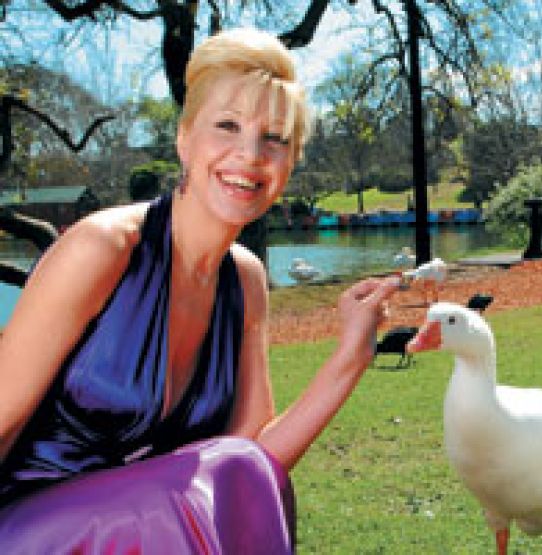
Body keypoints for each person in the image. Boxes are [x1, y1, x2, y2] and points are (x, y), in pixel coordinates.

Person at [0, 28, 398, 553]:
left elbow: (253, 466)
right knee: (173, 502)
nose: (250, 154)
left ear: (291, 161)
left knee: (240, 475)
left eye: (274, 138)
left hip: (147, 533)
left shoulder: (245, 280)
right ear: (185, 139)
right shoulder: (102, 249)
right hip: (28, 526)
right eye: (227, 126)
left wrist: (351, 355)